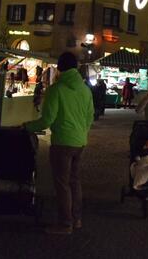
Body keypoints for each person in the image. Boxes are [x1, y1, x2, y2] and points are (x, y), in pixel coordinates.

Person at [24, 52, 94, 235]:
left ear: (60, 68)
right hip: (80, 142)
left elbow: (46, 120)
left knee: (62, 183)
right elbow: (89, 117)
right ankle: (76, 219)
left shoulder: (57, 89)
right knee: (74, 181)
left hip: (62, 142)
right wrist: (81, 132)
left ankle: (65, 224)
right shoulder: (85, 89)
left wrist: (27, 127)